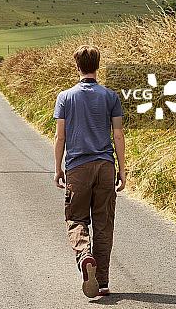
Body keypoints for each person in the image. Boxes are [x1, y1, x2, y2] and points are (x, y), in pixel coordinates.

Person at [53, 44, 126, 298]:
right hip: (106, 166)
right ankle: (103, 282)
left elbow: (60, 137)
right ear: (97, 66)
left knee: (76, 219)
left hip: (77, 168)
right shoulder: (111, 97)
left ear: (77, 67)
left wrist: (58, 168)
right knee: (104, 225)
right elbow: (118, 134)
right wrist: (122, 170)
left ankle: (85, 256)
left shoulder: (65, 97)